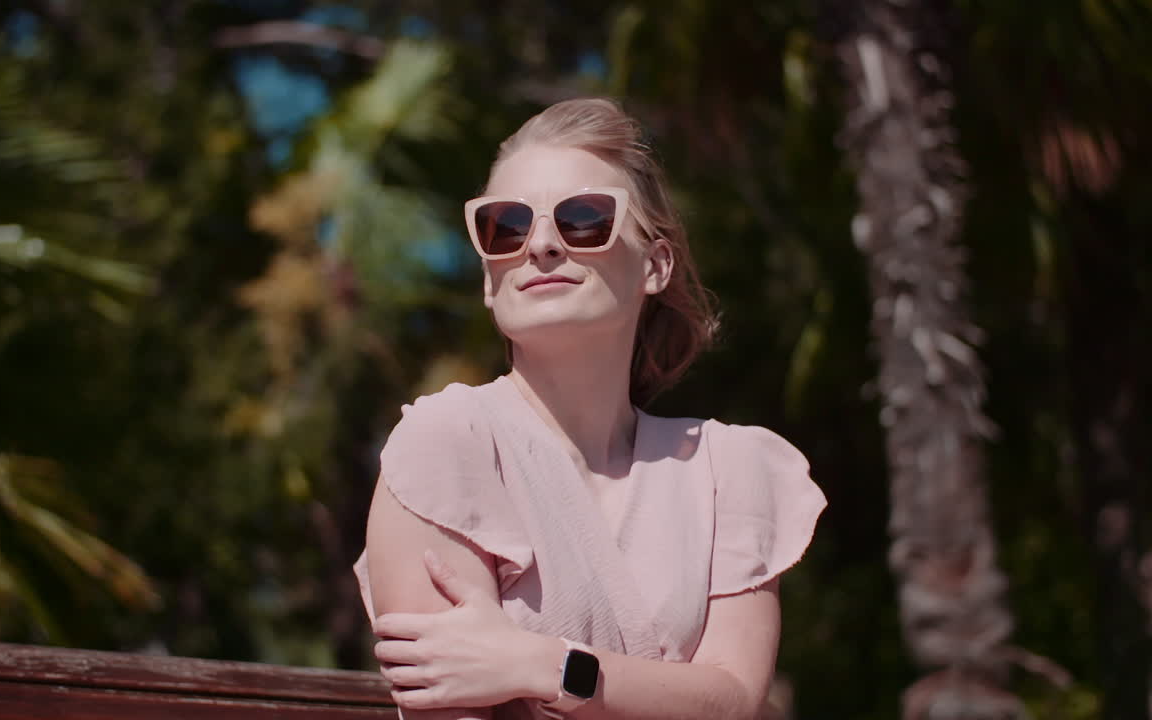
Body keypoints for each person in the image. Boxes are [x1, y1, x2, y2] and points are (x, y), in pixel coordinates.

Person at [352, 98, 826, 720]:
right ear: (490, 280)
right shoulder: (447, 449)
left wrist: (535, 663)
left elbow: (732, 701)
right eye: (506, 227)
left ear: (655, 265)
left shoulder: (729, 470)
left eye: (583, 219)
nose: (540, 245)